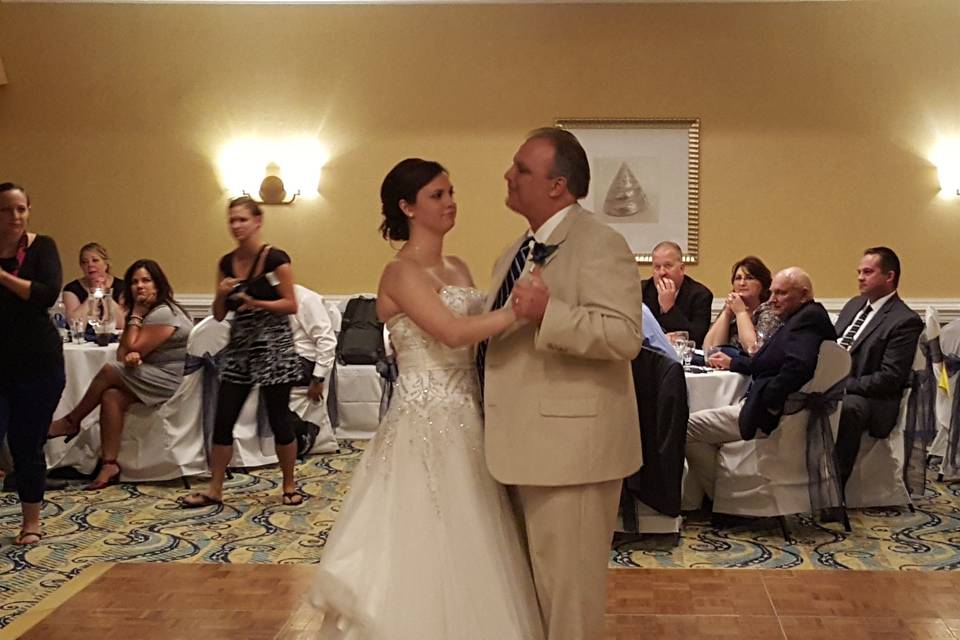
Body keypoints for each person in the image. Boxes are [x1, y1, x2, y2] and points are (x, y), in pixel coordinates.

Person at [310, 158, 543, 639]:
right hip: (424, 414)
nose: (450, 202)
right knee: (424, 531)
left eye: (451, 192)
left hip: (469, 411)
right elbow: (454, 332)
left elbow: (472, 340)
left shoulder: (457, 266)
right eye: (437, 195)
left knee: (476, 534)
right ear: (406, 206)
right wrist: (519, 313)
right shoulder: (399, 272)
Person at [482, 128, 644, 640]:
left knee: (568, 601)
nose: (508, 176)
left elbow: (624, 336)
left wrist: (550, 313)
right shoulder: (513, 252)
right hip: (518, 443)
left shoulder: (600, 242)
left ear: (557, 186)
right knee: (531, 595)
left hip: (573, 453)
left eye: (521, 169)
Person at [180, 197, 303, 508]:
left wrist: (256, 302)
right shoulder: (225, 263)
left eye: (242, 220)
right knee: (224, 417)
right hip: (239, 348)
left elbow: (291, 303)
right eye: (232, 220)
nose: (236, 226)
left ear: (258, 222)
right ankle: (215, 488)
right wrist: (222, 295)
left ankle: (289, 484)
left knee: (279, 418)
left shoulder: (275, 258)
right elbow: (220, 315)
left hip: (274, 346)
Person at [685, 268, 836, 500]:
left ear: (804, 295)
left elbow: (798, 367)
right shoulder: (798, 317)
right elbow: (768, 361)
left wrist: (769, 402)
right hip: (763, 406)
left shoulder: (808, 320)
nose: (773, 299)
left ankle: (724, 498)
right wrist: (734, 363)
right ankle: (722, 495)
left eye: (781, 293)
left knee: (685, 426)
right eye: (772, 292)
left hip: (768, 414)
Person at [48, 259, 193, 489]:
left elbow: (131, 350)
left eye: (146, 280)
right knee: (111, 396)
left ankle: (70, 421)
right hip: (151, 375)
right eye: (135, 282)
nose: (140, 286)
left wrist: (135, 316)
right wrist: (133, 346)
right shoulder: (149, 312)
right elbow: (123, 354)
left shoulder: (164, 313)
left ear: (158, 284)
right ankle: (109, 464)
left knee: (108, 371)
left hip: (169, 381)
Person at [0, 183, 65, 545]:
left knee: (27, 445)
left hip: (38, 364)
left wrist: (3, 277)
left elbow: (46, 294)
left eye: (21, 209)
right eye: (7, 210)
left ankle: (31, 522)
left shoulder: (43, 247)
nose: (16, 217)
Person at [834, 247, 922, 489]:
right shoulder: (854, 305)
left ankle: (833, 490)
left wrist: (843, 386)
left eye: (868, 272)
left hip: (872, 399)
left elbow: (889, 378)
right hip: (838, 384)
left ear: (889, 276)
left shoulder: (904, 320)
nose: (860, 277)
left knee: (847, 408)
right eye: (859, 272)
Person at [289, 284, 337, 453]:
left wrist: (318, 378)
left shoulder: (305, 299)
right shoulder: (264, 297)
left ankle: (297, 433)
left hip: (304, 359)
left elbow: (326, 342)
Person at [703, 255, 782, 355]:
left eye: (749, 278)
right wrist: (727, 314)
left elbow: (753, 349)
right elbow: (710, 349)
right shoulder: (732, 306)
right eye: (738, 278)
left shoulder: (770, 311)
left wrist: (741, 312)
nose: (742, 283)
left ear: (762, 284)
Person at [641, 240, 714, 346]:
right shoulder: (641, 290)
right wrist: (662, 340)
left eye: (668, 266)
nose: (662, 272)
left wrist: (669, 308)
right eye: (657, 267)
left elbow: (696, 339)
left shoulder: (701, 295)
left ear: (682, 269)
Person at [62, 242, 126, 329]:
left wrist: (106, 295)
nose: (90, 265)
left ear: (106, 263)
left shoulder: (123, 286)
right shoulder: (71, 289)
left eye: (95, 260)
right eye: (84, 262)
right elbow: (76, 326)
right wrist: (93, 294)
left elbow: (123, 324)